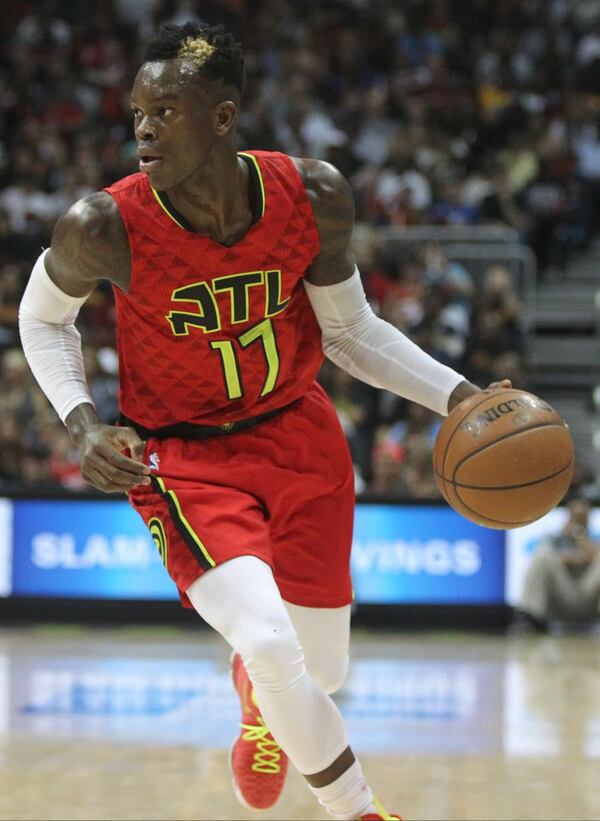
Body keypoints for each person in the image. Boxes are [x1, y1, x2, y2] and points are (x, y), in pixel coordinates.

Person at [19, 22, 509, 821]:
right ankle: (361, 809)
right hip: (183, 456)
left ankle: (256, 700)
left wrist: (461, 396)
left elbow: (350, 333)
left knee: (320, 671)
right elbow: (42, 321)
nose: (142, 127)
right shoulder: (102, 223)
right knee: (275, 644)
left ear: (223, 116)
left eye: (166, 110)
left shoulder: (310, 195)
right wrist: (81, 422)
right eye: (137, 111)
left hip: (299, 433)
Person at [516, 497, 600, 632]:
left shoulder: (595, 538)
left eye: (583, 517)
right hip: (562, 596)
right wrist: (577, 558)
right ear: (568, 517)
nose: (579, 521)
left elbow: (594, 554)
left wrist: (580, 538)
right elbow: (545, 556)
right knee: (543, 556)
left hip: (589, 598)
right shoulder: (553, 538)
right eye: (576, 517)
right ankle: (531, 618)